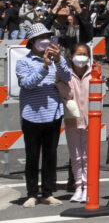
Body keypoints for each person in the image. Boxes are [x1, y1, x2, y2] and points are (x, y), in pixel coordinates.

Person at [16, 23, 71, 206]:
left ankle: (47, 192)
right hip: (31, 115)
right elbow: (27, 84)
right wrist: (44, 66)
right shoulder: (23, 62)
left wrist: (59, 60)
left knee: (50, 155)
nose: (45, 41)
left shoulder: (56, 60)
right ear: (32, 41)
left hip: (53, 114)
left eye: (48, 37)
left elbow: (67, 77)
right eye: (41, 38)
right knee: (32, 156)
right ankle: (32, 193)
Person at [57, 43, 93, 202]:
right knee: (76, 156)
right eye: (79, 53)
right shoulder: (66, 75)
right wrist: (59, 83)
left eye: (85, 54)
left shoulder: (94, 73)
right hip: (72, 120)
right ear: (71, 56)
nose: (82, 57)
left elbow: (100, 94)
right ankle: (78, 186)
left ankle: (88, 186)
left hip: (91, 121)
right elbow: (67, 94)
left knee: (88, 156)